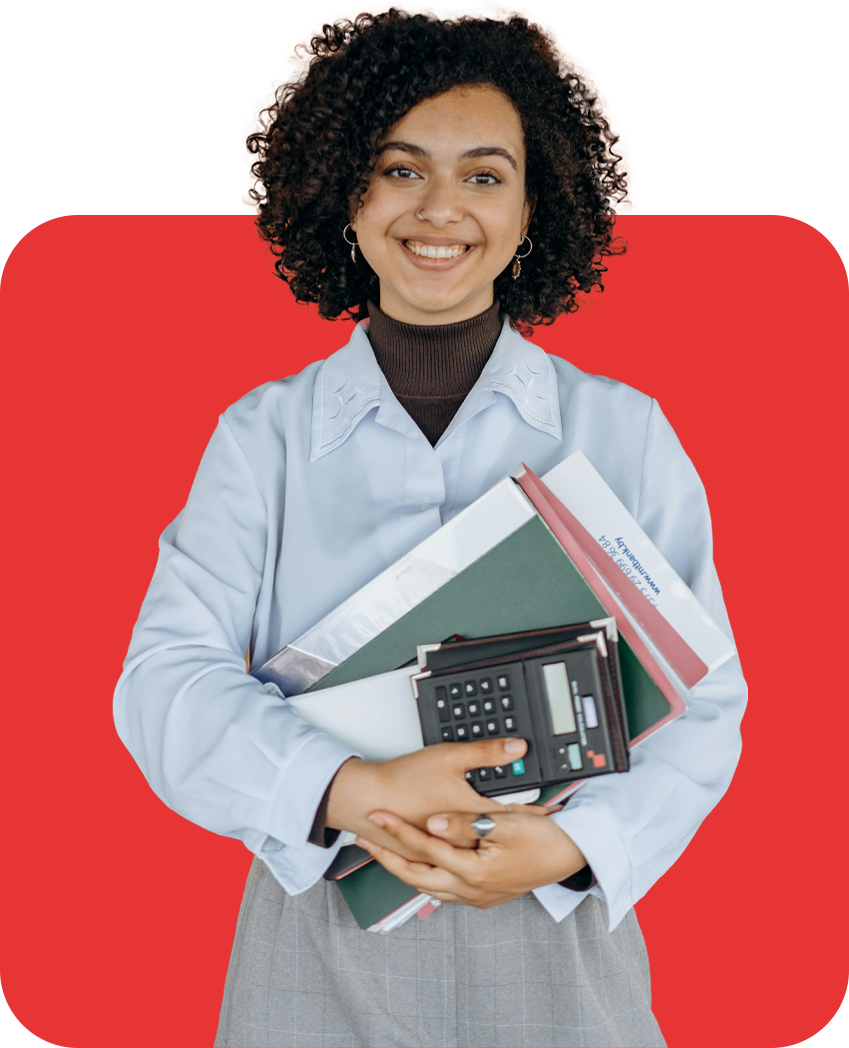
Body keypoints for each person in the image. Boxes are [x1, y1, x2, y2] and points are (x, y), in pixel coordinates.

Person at [113, 10, 747, 1048]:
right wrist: (346, 789)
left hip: (559, 938)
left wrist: (576, 848)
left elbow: (706, 699)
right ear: (345, 197)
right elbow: (162, 678)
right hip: (320, 937)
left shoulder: (622, 433)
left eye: (485, 175)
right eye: (400, 170)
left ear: (536, 205)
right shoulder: (262, 439)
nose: (441, 209)